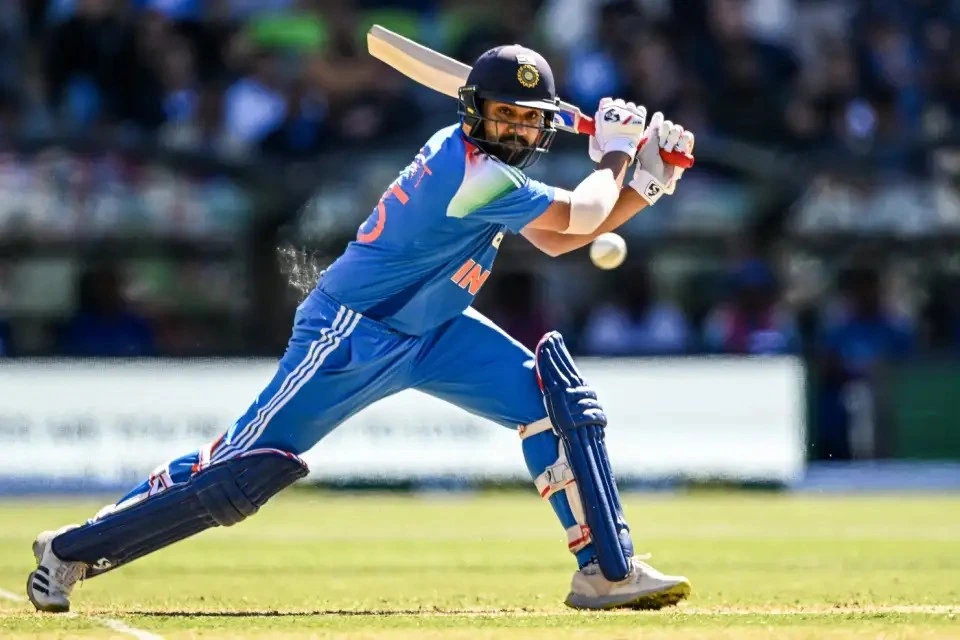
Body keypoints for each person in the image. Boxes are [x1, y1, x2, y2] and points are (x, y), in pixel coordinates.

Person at [26, 44, 695, 613]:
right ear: (473, 114)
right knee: (238, 475)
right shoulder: (471, 172)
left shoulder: (489, 172)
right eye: (503, 117)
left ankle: (606, 572)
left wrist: (649, 179)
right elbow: (580, 218)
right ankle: (70, 551)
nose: (516, 132)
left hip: (436, 330)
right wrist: (613, 155)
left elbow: (559, 238)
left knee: (557, 406)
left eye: (527, 122)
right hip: (350, 336)